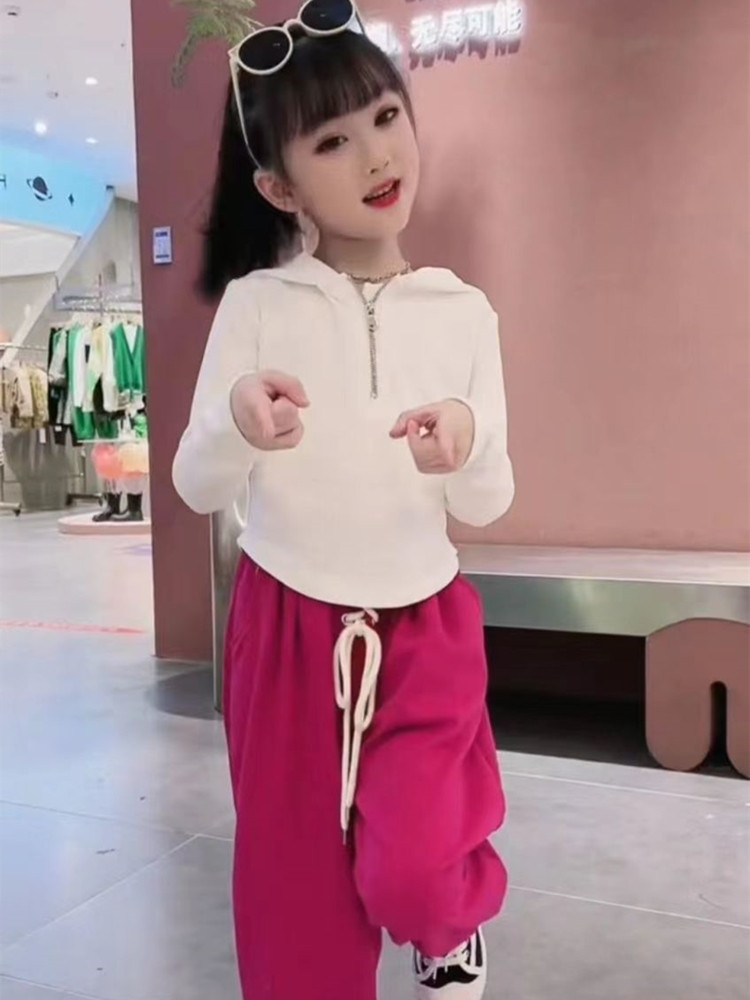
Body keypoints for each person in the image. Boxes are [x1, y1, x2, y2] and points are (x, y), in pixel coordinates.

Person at [173, 3, 515, 998]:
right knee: (296, 912)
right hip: (284, 628)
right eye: (332, 141)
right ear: (279, 186)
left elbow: (489, 502)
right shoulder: (257, 306)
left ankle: (449, 931)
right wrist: (238, 422)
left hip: (425, 627)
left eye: (385, 117)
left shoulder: (463, 312)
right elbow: (197, 483)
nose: (376, 154)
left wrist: (465, 439)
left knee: (416, 869)